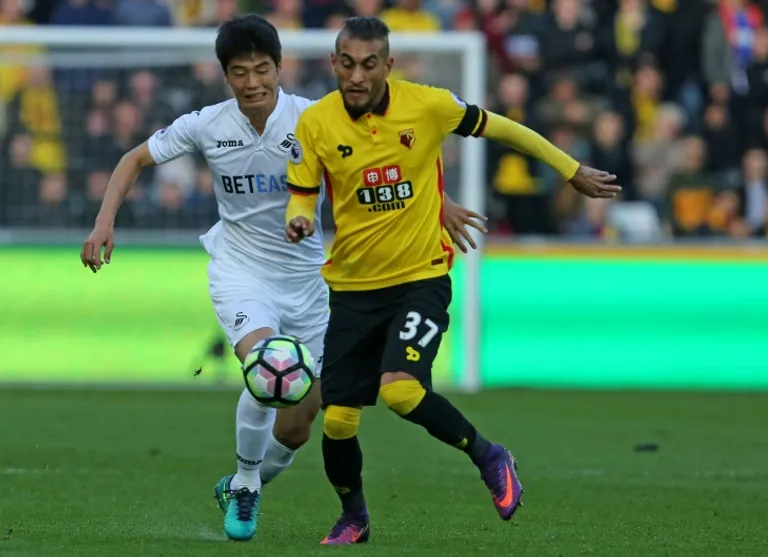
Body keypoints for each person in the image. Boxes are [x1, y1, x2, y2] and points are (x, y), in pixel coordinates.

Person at [78, 14, 488, 543]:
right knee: (267, 365)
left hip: (309, 281)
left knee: (298, 423)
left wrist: (441, 201)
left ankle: (244, 482)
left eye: (262, 70)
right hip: (241, 270)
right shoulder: (206, 124)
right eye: (240, 72)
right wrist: (104, 222)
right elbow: (133, 159)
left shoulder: (314, 119)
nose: (252, 83)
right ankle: (248, 484)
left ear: (280, 68)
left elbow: (386, 159)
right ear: (226, 75)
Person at [284, 16, 621, 546]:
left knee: (401, 391)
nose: (356, 75)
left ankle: (489, 456)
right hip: (352, 289)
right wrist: (299, 219)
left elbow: (504, 128)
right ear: (333, 63)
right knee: (339, 421)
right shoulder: (316, 123)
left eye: (369, 64)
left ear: (388, 65)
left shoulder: (428, 105)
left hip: (421, 278)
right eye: (347, 64)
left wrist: (569, 169)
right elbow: (303, 193)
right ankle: (354, 517)